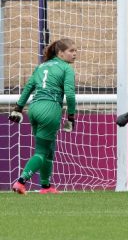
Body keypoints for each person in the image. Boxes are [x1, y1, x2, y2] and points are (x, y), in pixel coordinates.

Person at [9, 38, 77, 195]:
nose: (75, 54)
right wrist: (71, 117)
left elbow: (28, 87)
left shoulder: (41, 66)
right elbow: (71, 96)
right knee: (41, 151)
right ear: (60, 53)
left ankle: (46, 186)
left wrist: (18, 108)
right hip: (50, 108)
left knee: (48, 148)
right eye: (71, 51)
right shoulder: (66, 68)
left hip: (34, 108)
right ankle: (20, 182)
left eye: (76, 51)